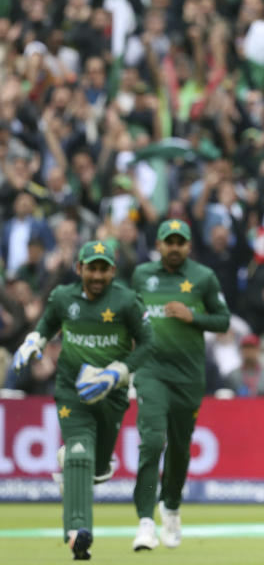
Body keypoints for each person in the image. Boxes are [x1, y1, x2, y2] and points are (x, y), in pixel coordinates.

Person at [11, 240, 155, 560]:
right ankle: (78, 532)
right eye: (92, 268)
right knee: (79, 452)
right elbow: (47, 325)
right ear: (80, 268)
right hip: (71, 391)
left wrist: (118, 372)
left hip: (113, 394)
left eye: (104, 268)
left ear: (113, 270)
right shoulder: (64, 298)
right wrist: (33, 341)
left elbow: (148, 344)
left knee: (99, 468)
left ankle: (77, 475)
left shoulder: (127, 302)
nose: (98, 275)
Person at [129, 219, 230, 551]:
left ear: (189, 246)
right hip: (151, 371)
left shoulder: (203, 278)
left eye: (180, 242)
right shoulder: (142, 275)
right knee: (152, 441)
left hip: (188, 376)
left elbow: (223, 320)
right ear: (158, 244)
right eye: (168, 242)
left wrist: (193, 317)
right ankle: (145, 522)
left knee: (180, 448)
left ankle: (170, 506)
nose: (174, 247)